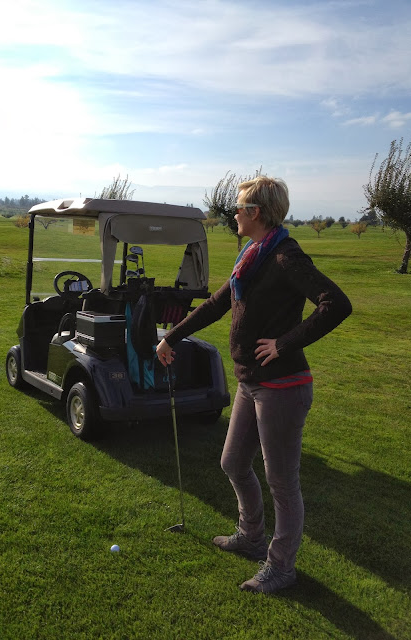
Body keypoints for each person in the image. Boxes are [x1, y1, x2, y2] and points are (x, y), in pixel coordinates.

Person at [156, 175, 352, 594]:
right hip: (251, 383)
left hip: (283, 386)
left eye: (239, 207)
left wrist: (284, 343)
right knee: (232, 463)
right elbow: (218, 303)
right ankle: (250, 537)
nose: (233, 214)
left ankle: (281, 567)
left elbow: (336, 303)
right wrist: (172, 336)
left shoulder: (285, 257)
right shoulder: (252, 256)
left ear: (256, 213)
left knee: (282, 483)